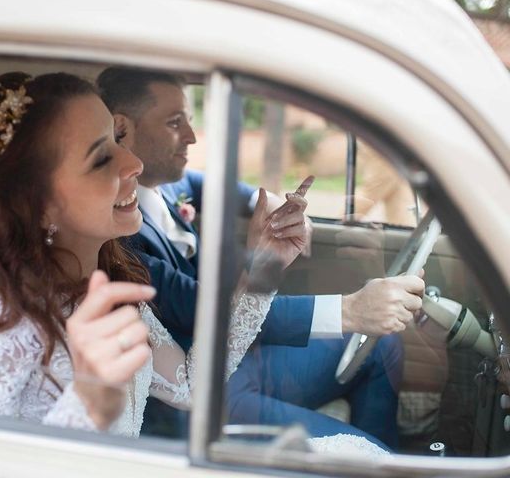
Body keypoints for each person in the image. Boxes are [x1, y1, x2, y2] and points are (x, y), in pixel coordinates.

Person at [0, 72, 312, 440]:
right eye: (100, 158)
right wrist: (90, 396)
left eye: (117, 139)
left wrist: (264, 266)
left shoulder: (104, 280)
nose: (133, 163)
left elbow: (189, 386)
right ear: (38, 204)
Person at [96, 67, 426, 448]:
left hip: (248, 356)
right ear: (122, 129)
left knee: (382, 343)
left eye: (189, 119)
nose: (190, 135)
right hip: (212, 397)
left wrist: (275, 213)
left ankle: (393, 447)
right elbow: (202, 305)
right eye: (175, 122)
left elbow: (229, 189)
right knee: (372, 455)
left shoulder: (171, 185)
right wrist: (349, 310)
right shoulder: (119, 242)